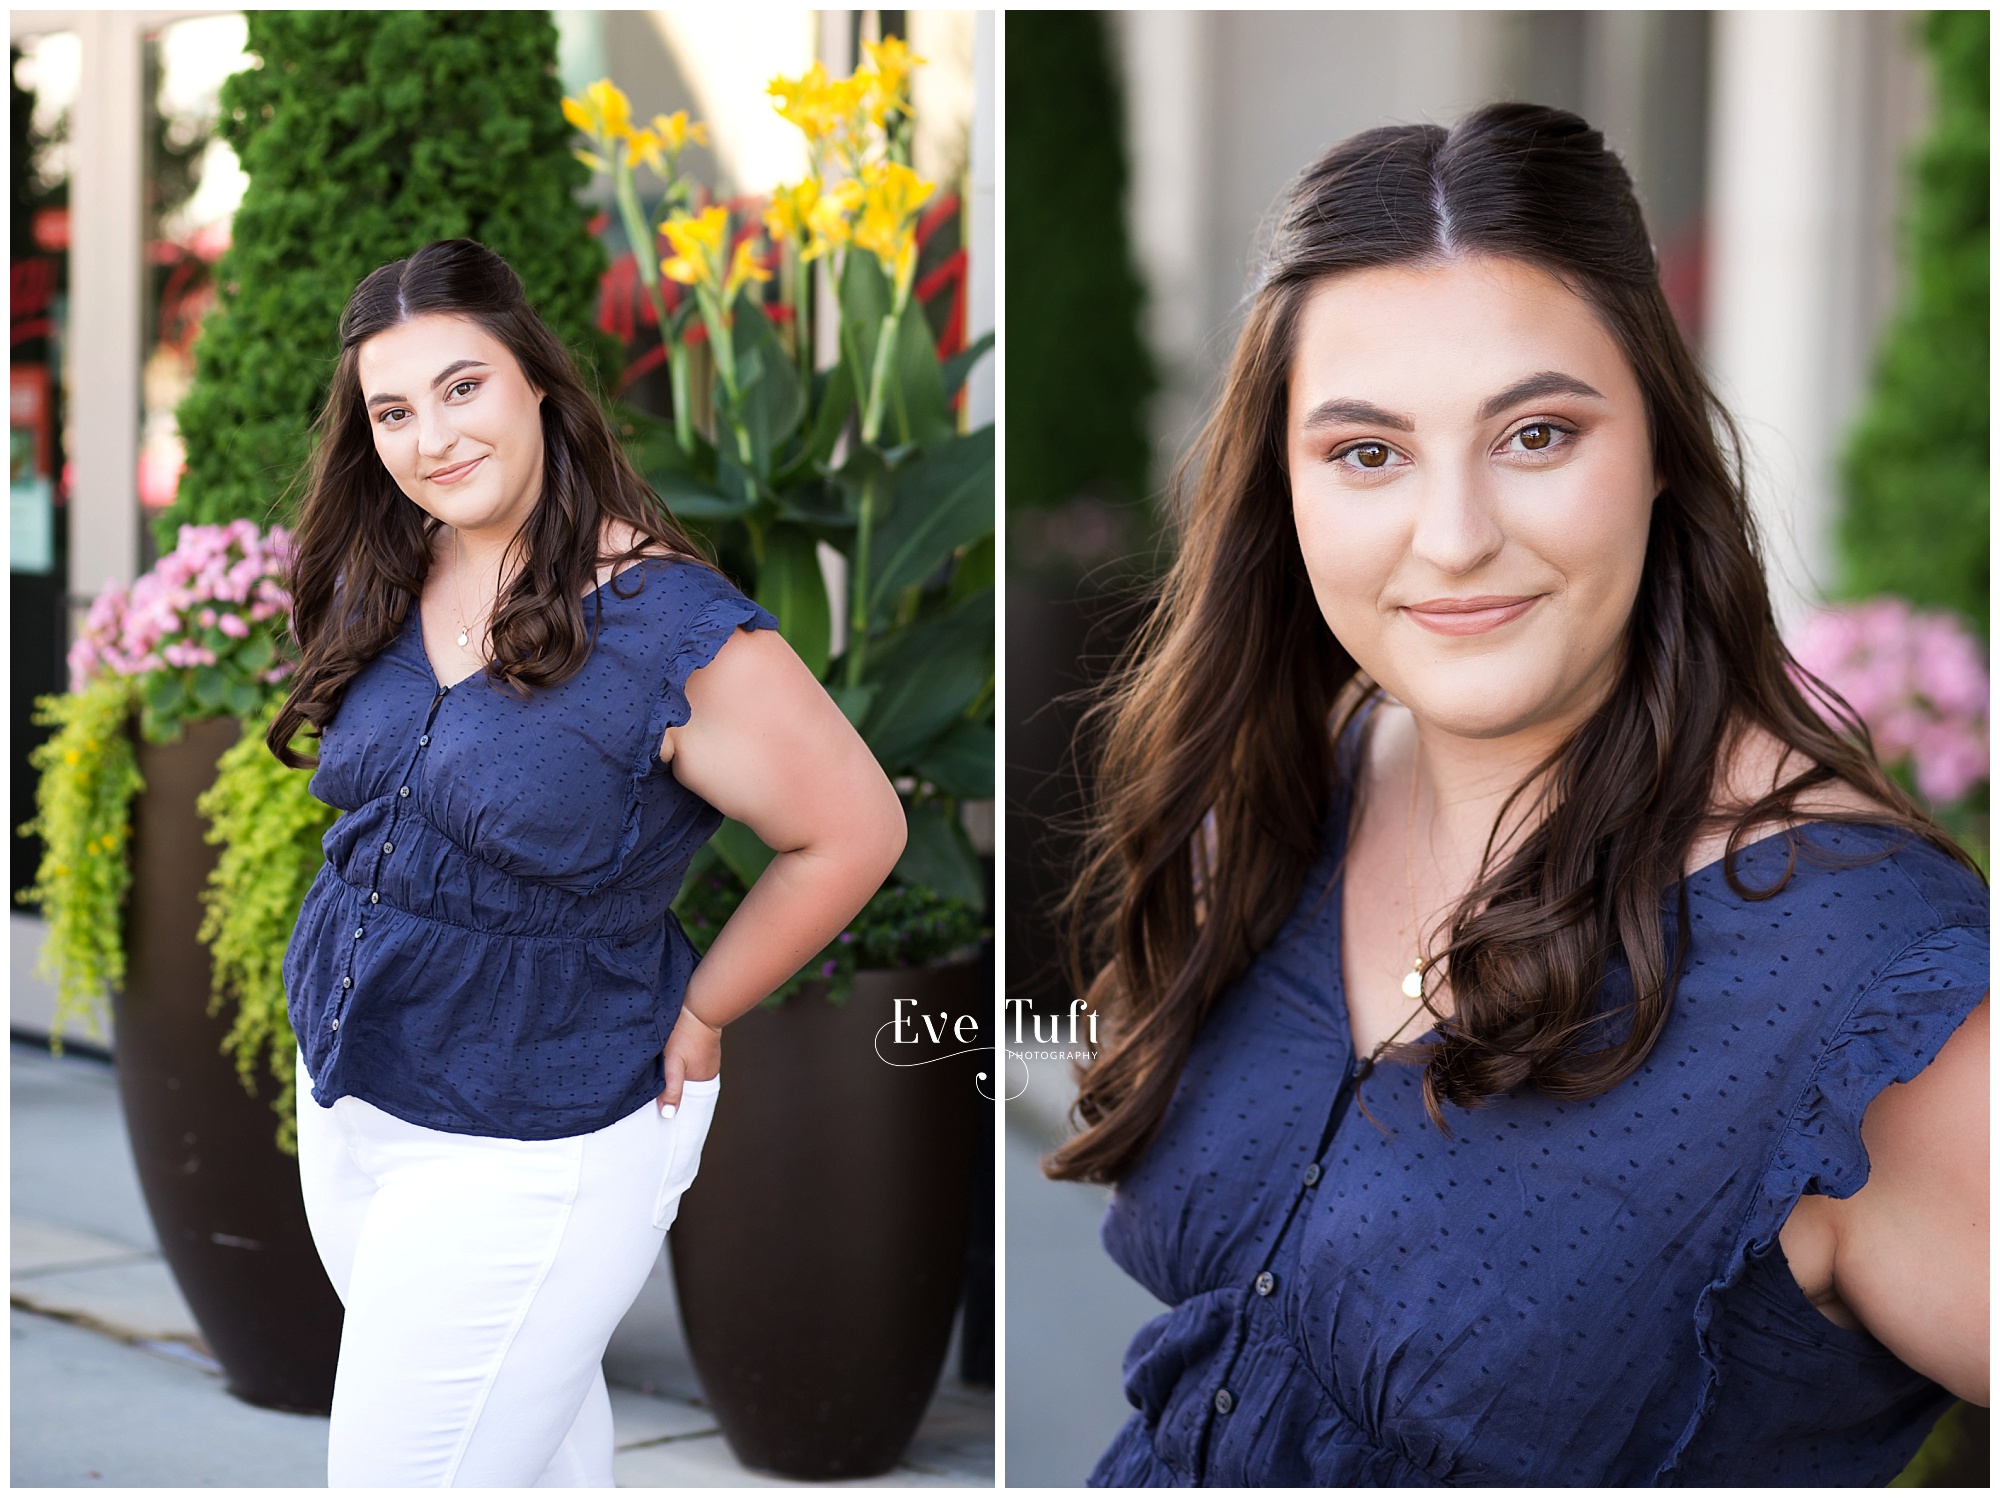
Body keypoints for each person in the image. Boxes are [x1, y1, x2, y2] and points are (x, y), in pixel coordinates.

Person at [1050, 105, 1988, 1486]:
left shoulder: (1858, 974)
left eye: (1537, 434)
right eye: (1367, 452)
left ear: (1660, 446)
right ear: (1281, 487)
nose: (1453, 538)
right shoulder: (1296, 781)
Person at [270, 239, 906, 1486]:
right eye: (392, 412)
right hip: (350, 1089)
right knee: (537, 1451)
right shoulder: (389, 565)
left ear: (537, 385)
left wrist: (705, 1009)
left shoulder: (665, 622)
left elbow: (853, 828)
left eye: (463, 387)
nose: (431, 438)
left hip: (530, 1136)